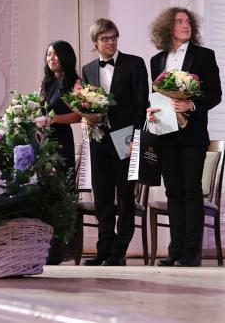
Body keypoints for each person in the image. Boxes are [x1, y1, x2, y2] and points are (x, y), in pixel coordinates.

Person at [147, 7, 222, 267]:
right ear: (168, 27)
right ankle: (175, 250)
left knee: (191, 192)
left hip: (193, 135)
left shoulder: (204, 55)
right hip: (166, 133)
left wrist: (191, 105)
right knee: (173, 192)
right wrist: (152, 110)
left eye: (188, 21)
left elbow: (215, 94)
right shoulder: (157, 60)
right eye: (179, 21)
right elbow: (156, 95)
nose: (186, 25)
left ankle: (192, 252)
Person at [81, 18, 149, 266]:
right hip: (98, 138)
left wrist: (136, 139)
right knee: (102, 196)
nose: (110, 42)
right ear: (95, 42)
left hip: (125, 137)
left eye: (113, 37)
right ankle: (104, 249)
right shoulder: (88, 69)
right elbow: (86, 104)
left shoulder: (134, 63)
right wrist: (86, 119)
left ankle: (119, 252)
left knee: (126, 196)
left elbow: (142, 105)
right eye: (105, 39)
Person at [40, 40, 82, 265]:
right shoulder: (47, 83)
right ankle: (43, 248)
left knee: (61, 195)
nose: (51, 58)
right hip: (44, 143)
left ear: (65, 57)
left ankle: (60, 250)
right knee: (45, 195)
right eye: (49, 55)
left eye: (56, 54)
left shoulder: (75, 82)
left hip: (61, 142)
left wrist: (53, 119)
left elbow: (78, 115)